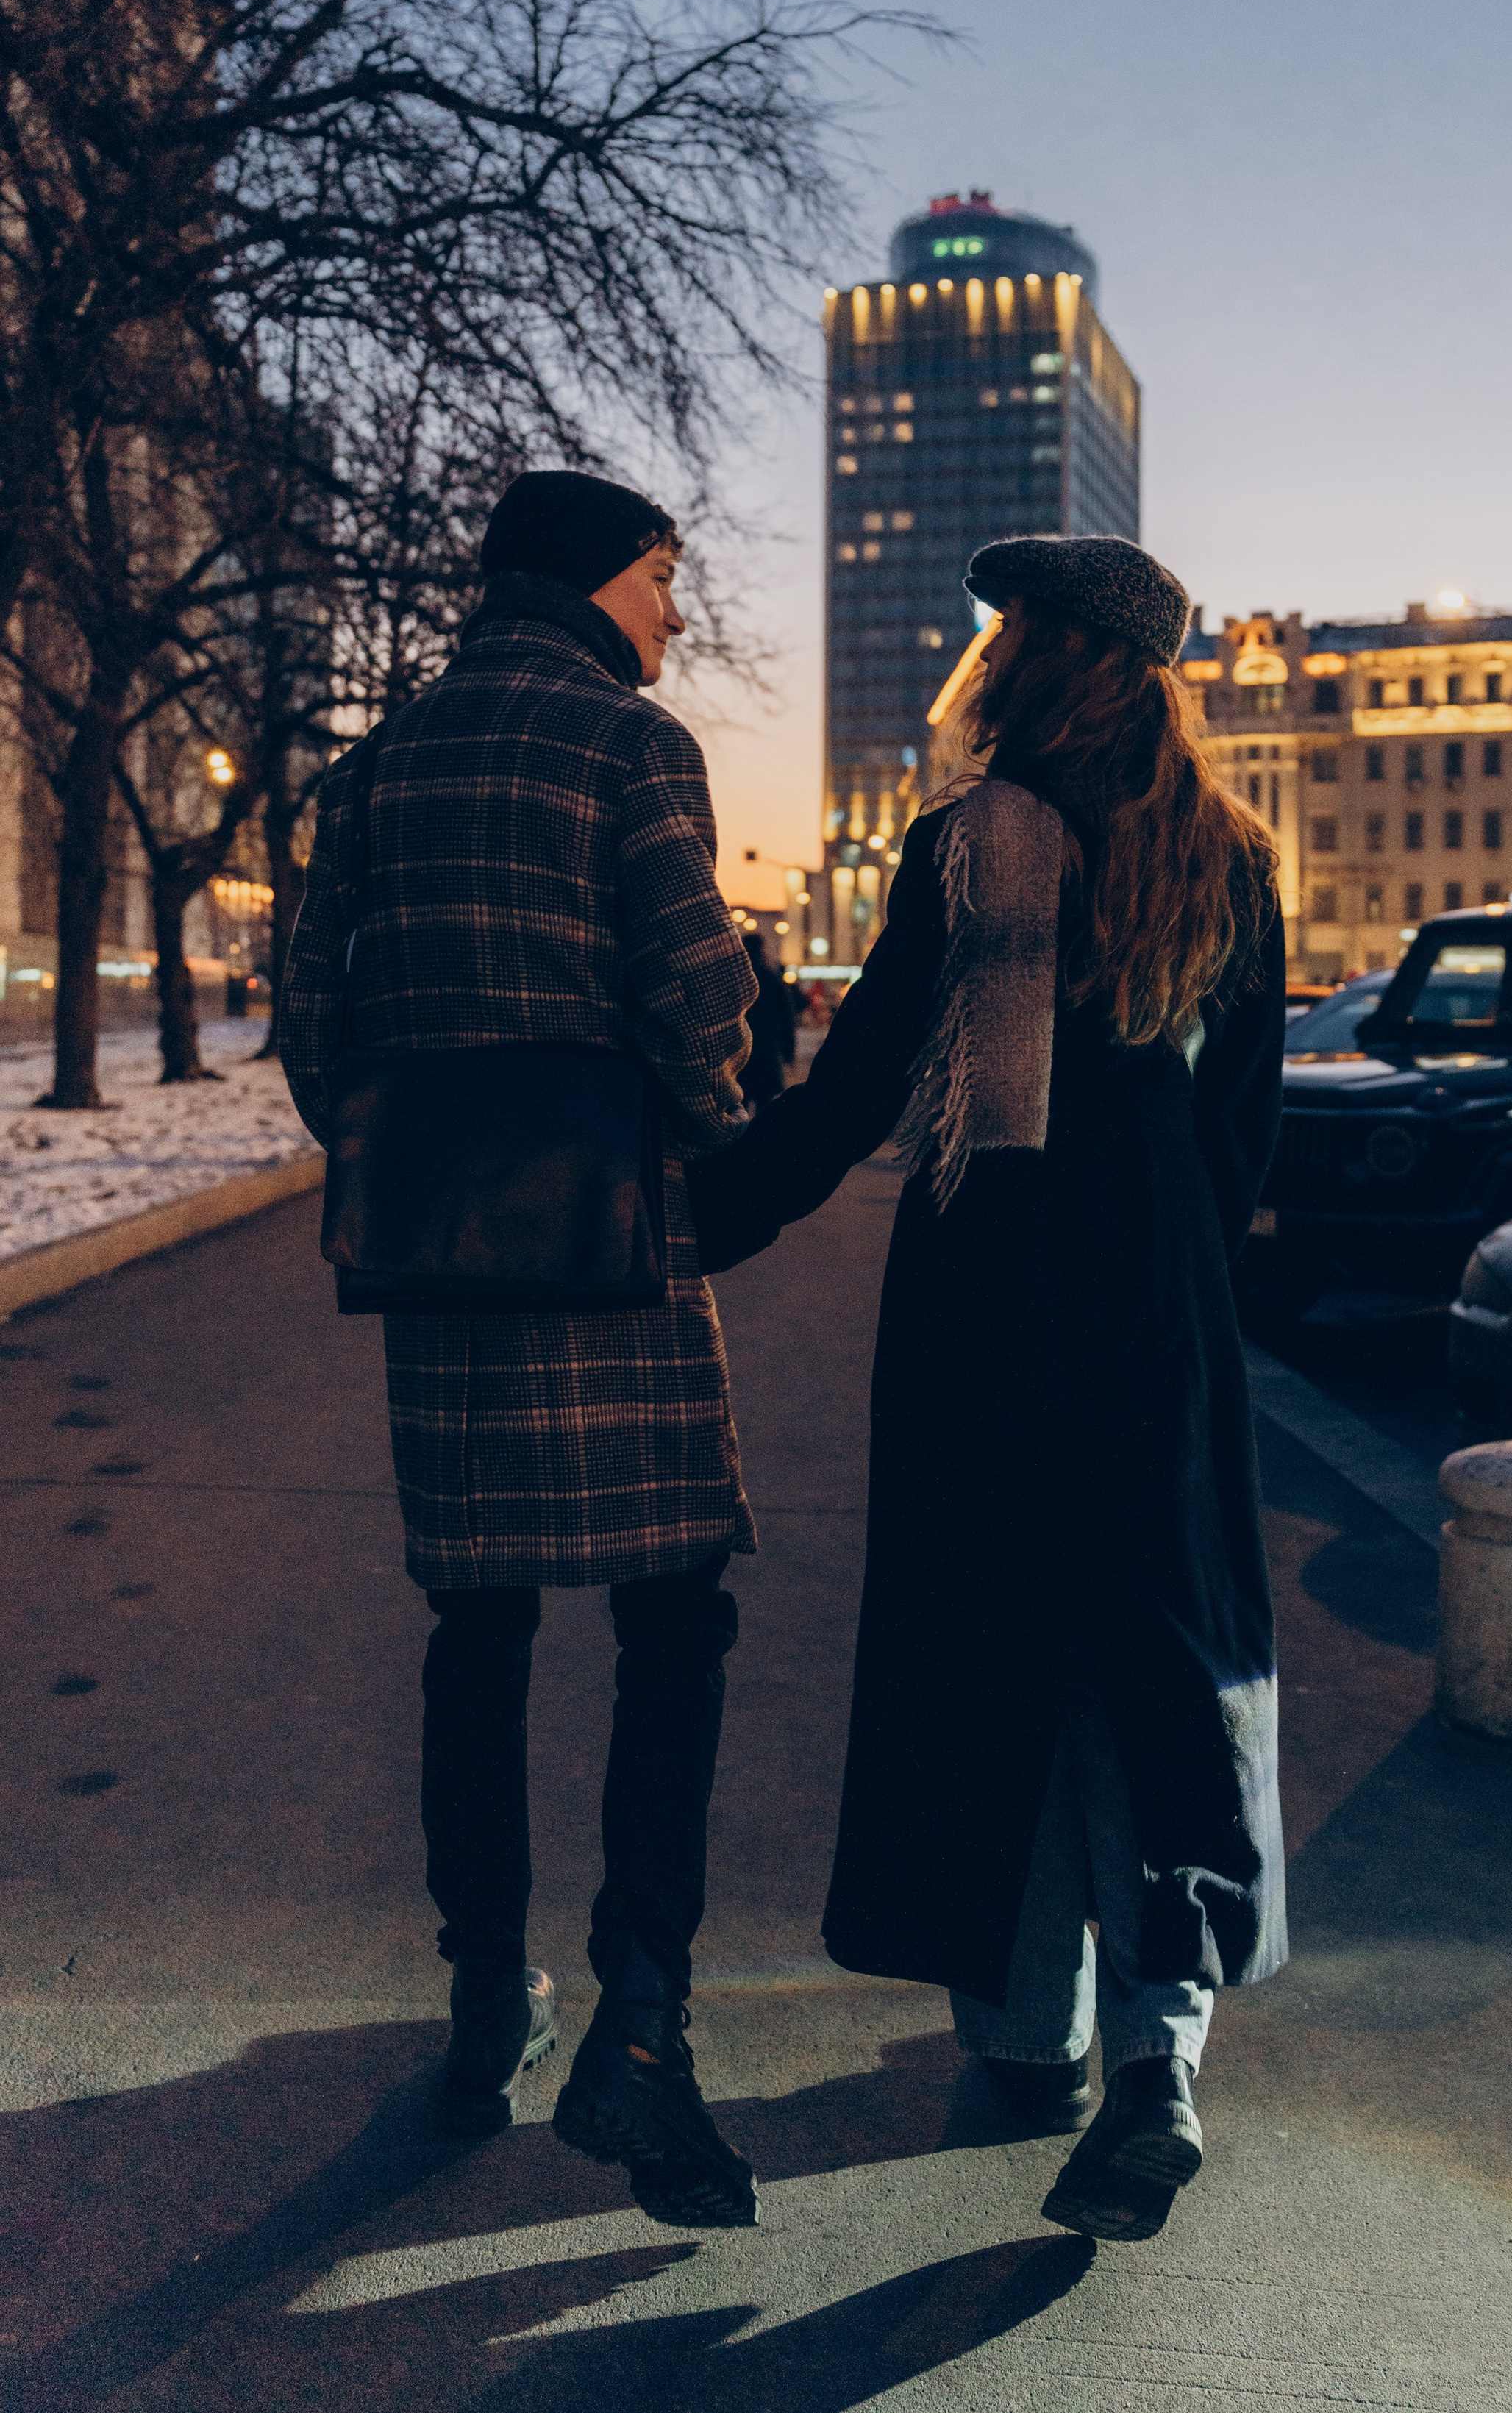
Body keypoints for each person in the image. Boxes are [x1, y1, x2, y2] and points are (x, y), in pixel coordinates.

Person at [689, 533, 1288, 2245]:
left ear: (1040, 659)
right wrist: (1180, 1280)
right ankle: (1159, 2066)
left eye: (1002, 629)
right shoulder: (1229, 857)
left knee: (993, 1651)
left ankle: (1028, 2029)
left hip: (985, 1307)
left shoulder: (973, 841)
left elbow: (867, 1078)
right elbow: (1243, 1130)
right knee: (1155, 1668)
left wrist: (710, 1211)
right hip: (1157, 1317)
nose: (984, 650)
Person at [281, 471, 763, 2227]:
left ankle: (486, 1997)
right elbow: (696, 1010)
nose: (675, 611)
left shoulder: (376, 764)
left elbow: (314, 1029)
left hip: (446, 1263)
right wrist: (714, 1120)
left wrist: (417, 1155)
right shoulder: (634, 753)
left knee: (475, 1626)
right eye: (660, 576)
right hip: (614, 1247)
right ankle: (642, 2009)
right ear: (592, 582)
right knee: (674, 1616)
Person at [738, 927, 797, 1106]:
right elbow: (787, 1017)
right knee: (765, 1105)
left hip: (740, 1052)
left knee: (740, 1104)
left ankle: (743, 1134)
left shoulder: (738, 979)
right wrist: (788, 1051)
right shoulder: (772, 978)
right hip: (767, 1050)